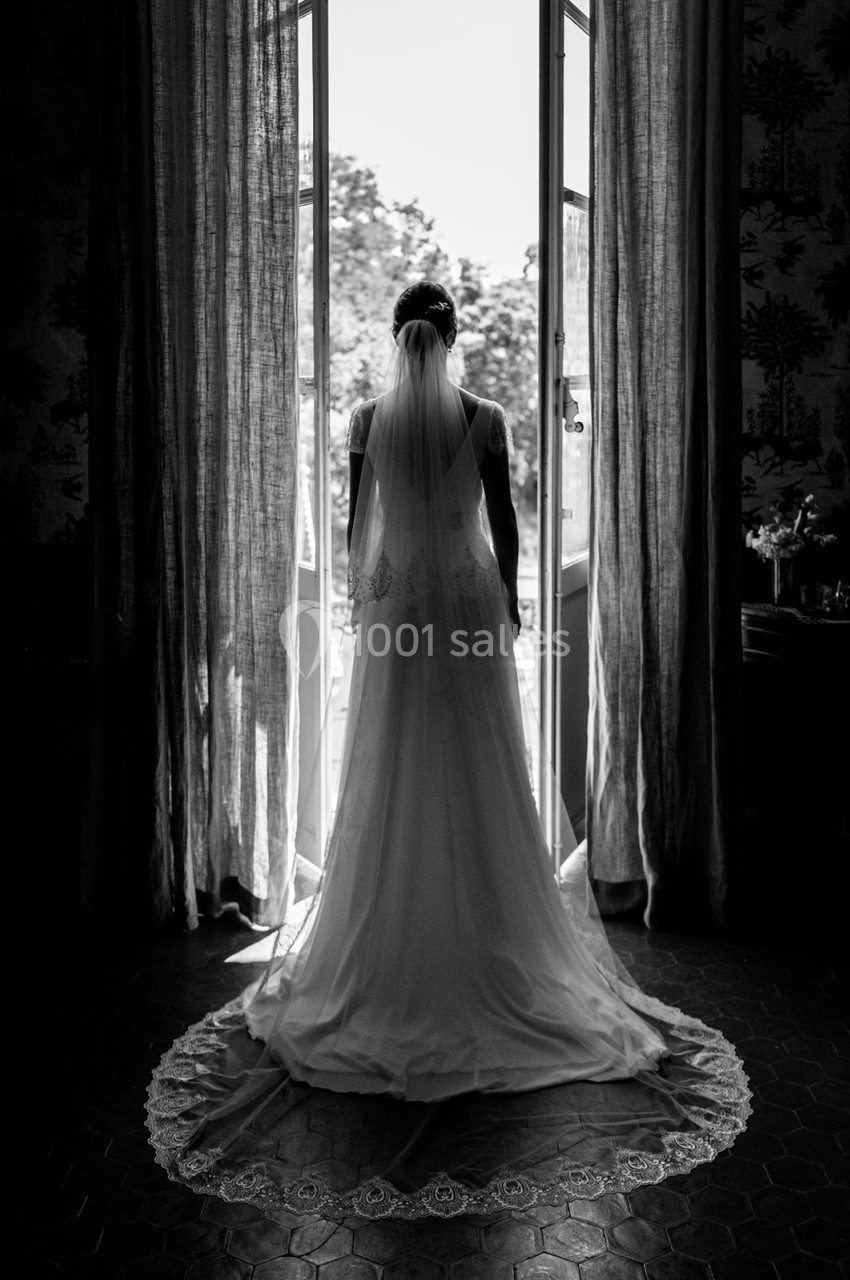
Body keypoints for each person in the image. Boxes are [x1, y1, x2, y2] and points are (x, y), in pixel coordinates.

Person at [147, 281, 750, 1218]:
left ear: (398, 337)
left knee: (395, 761)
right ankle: (490, 927)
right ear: (454, 335)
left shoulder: (367, 420)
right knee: (478, 763)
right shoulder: (487, 417)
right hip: (465, 600)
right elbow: (502, 523)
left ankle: (394, 924)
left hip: (401, 603)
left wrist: (365, 601)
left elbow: (360, 524)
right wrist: (506, 601)